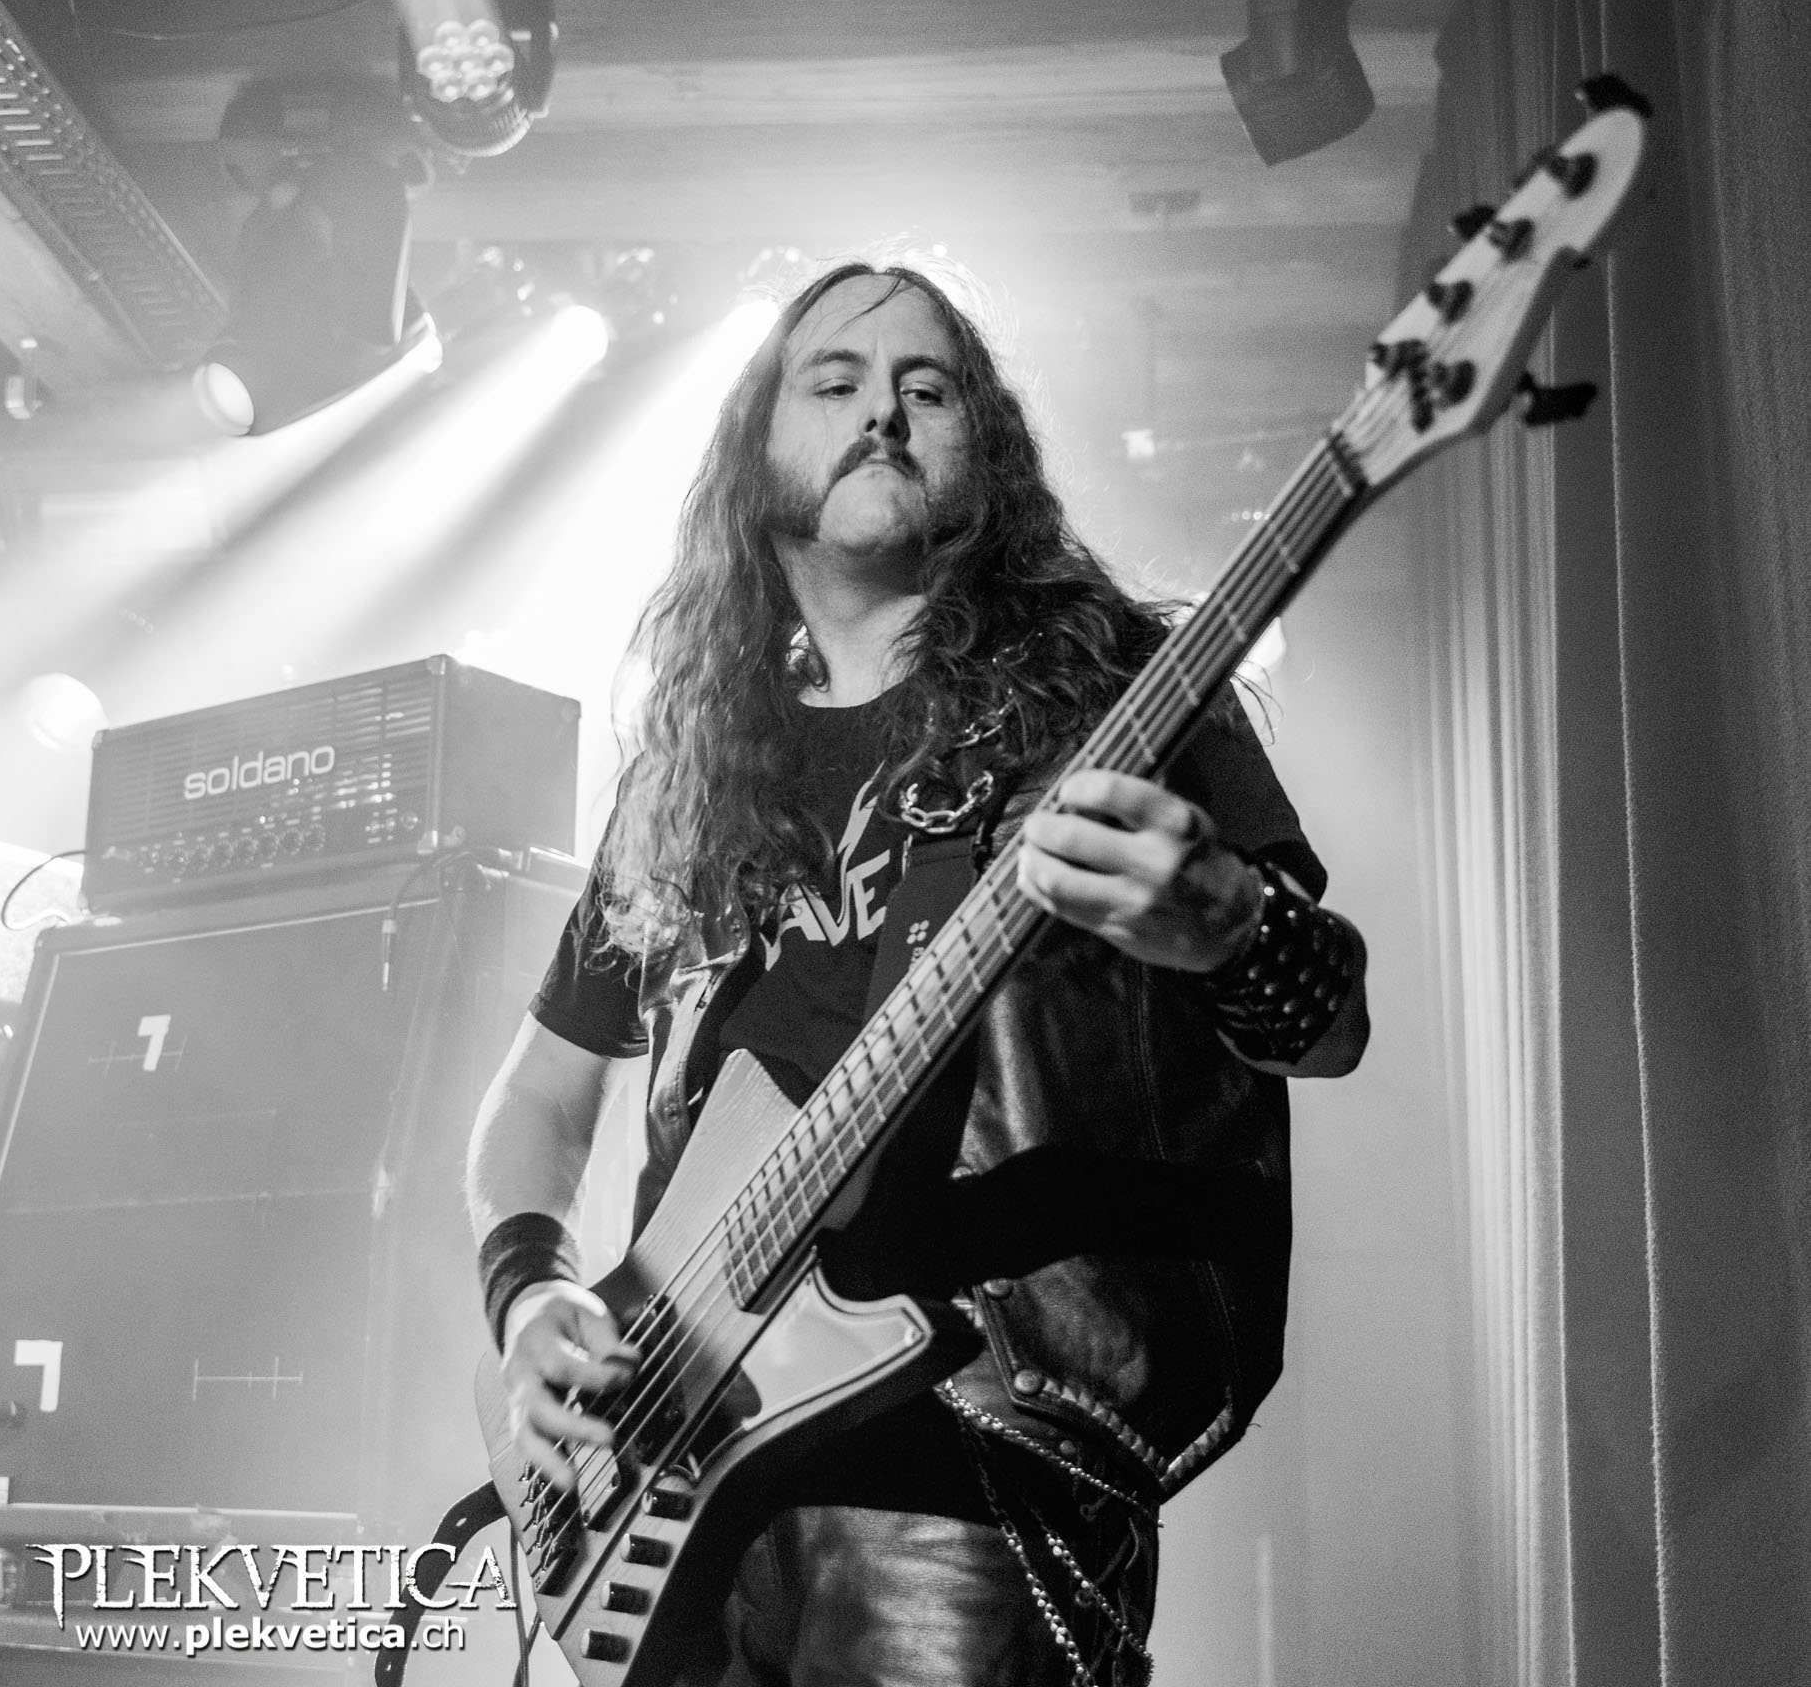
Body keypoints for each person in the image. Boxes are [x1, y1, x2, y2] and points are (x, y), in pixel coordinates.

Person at [465, 261, 1369, 1687]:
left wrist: (1229, 926)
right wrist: (528, 1301)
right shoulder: (686, 780)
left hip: (967, 1484)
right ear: (753, 455)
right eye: (833, 382)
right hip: (674, 1491)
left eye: (926, 388)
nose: (880, 410)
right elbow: (535, 1100)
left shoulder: (1117, 698)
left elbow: (1334, 1024)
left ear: (982, 457)